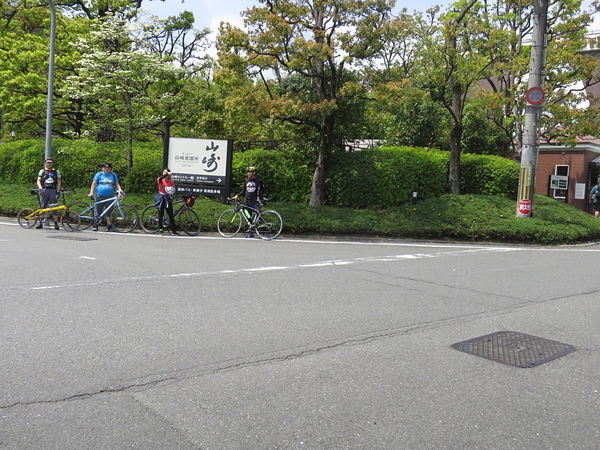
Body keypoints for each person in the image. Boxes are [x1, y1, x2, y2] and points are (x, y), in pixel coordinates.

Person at [232, 166, 266, 238]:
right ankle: (251, 232)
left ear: (254, 173)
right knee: (248, 216)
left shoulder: (258, 181)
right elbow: (244, 191)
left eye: (250, 172)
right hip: (247, 201)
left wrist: (264, 198)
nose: (248, 174)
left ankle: (264, 233)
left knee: (259, 216)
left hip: (255, 201)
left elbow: (263, 190)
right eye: (248, 172)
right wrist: (237, 195)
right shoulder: (246, 180)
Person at [88, 162, 123, 232]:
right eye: (105, 167)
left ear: (110, 168)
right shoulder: (99, 174)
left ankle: (109, 226)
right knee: (98, 211)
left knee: (109, 212)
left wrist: (120, 190)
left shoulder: (113, 175)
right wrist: (91, 192)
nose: (106, 169)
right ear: (102, 168)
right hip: (100, 195)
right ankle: (95, 225)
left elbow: (117, 184)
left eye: (108, 167)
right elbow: (94, 183)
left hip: (110, 196)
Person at [36, 158, 62, 230]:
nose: (49, 164)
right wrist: (40, 187)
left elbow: (59, 182)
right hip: (44, 190)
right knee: (43, 206)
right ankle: (40, 222)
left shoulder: (56, 171)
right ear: (45, 163)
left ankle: (56, 223)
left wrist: (58, 192)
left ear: (52, 163)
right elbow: (38, 180)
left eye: (50, 162)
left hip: (53, 190)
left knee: (54, 207)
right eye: (48, 162)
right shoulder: (42, 171)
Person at [155, 168, 179, 235]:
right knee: (161, 215)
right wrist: (167, 173)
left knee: (171, 215)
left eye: (166, 172)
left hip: (168, 199)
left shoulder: (171, 182)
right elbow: (161, 178)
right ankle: (161, 230)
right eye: (164, 172)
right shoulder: (160, 179)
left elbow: (173, 190)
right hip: (161, 198)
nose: (164, 174)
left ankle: (174, 231)